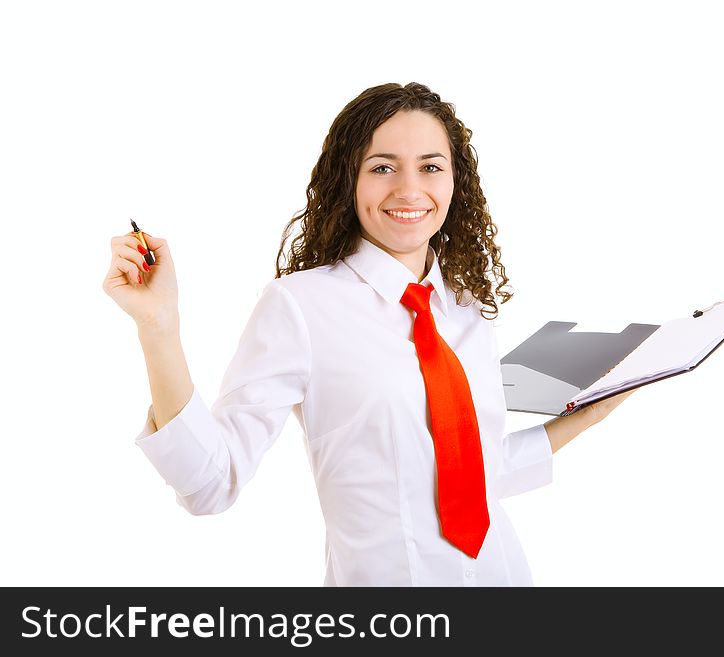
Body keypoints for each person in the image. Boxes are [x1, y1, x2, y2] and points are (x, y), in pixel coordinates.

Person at [102, 82, 634, 586]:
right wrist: (159, 328)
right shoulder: (300, 307)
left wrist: (589, 415)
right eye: (383, 167)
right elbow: (211, 486)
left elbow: (471, 477)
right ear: (348, 179)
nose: (410, 190)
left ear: (455, 183)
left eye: (431, 167)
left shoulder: (466, 310)